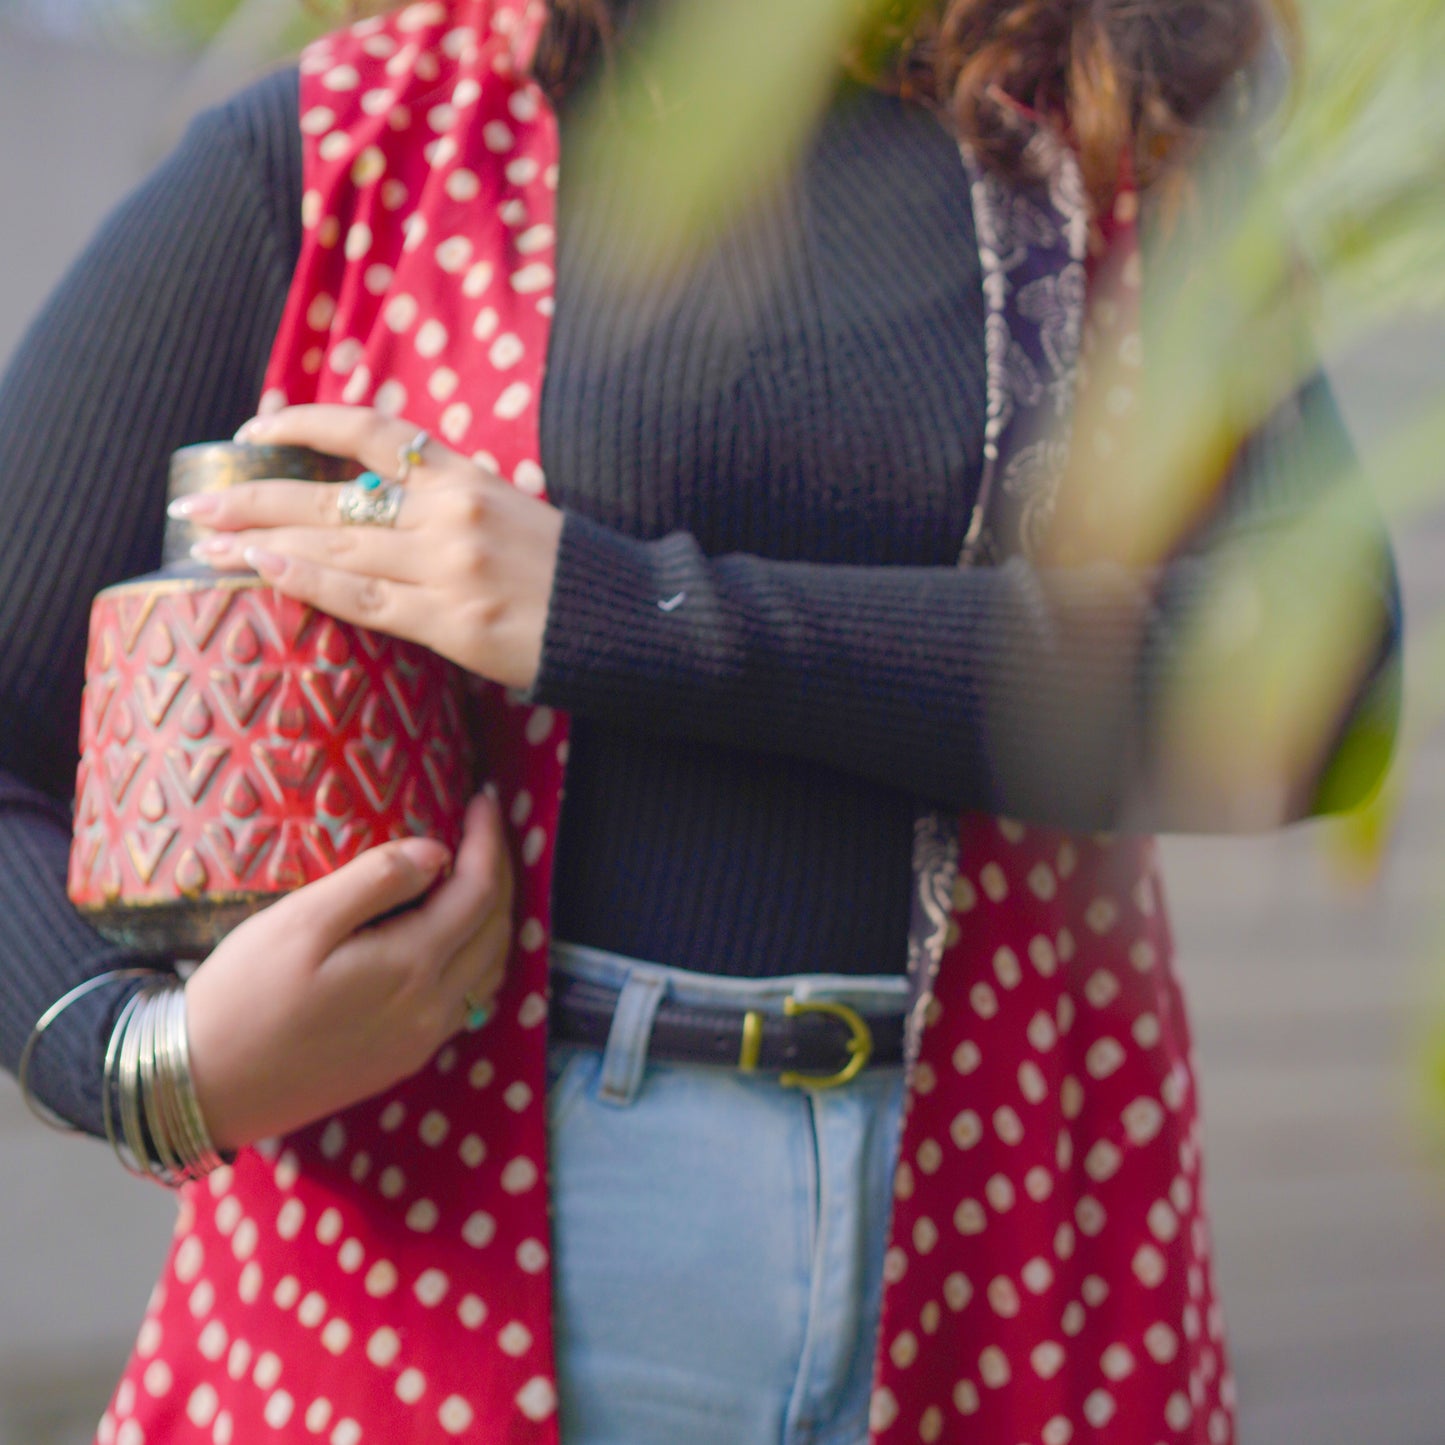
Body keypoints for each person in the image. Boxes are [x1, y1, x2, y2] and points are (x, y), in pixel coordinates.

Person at [0, 0, 1401, 1441]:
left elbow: (1324, 686)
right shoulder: (358, 144)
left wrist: (626, 613)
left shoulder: (1117, 151)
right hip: (441, 1256)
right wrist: (147, 1067)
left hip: (1007, 1239)